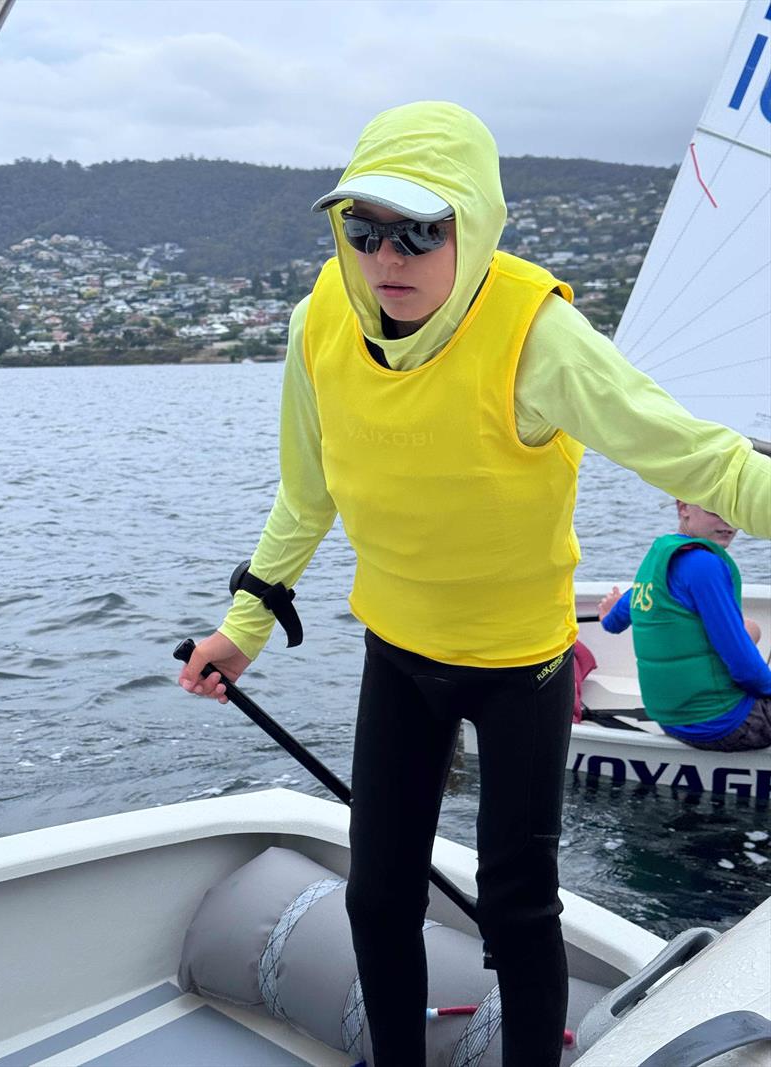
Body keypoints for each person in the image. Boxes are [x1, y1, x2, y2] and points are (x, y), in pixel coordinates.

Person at [178, 102, 771, 1067]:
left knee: (518, 902)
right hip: (399, 654)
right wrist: (243, 626)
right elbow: (306, 493)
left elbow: (709, 464)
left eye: (421, 229)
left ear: (476, 226)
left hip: (520, 668)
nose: (388, 255)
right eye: (364, 229)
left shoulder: (540, 337)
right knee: (377, 895)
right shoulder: (318, 320)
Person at [598, 501, 771, 751]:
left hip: (671, 721)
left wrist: (607, 612)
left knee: (750, 627)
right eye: (716, 510)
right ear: (683, 508)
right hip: (725, 725)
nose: (728, 522)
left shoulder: (659, 557)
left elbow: (614, 622)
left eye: (733, 510)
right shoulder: (704, 565)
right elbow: (743, 666)